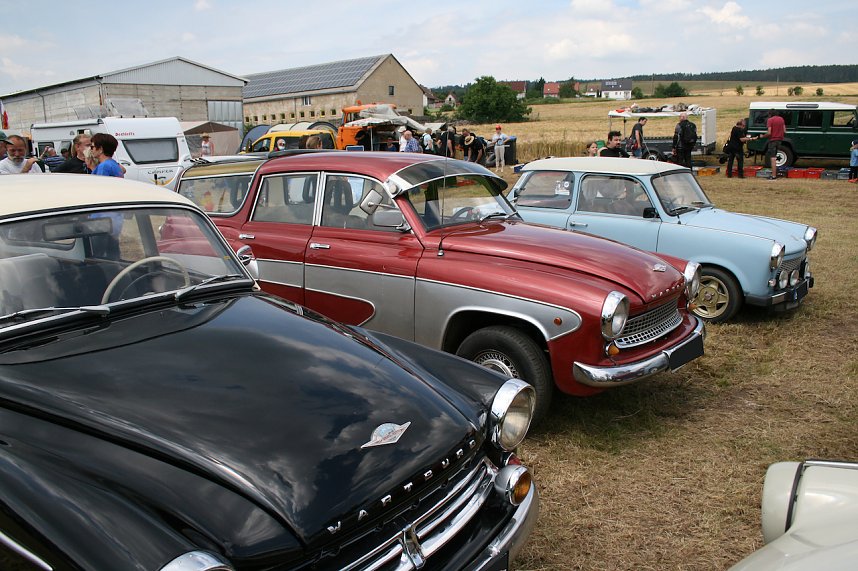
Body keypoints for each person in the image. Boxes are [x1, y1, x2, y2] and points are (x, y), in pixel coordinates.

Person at [757, 109, 785, 180]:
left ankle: (773, 175)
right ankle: (775, 173)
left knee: (772, 158)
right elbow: (784, 130)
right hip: (780, 140)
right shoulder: (781, 119)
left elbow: (769, 133)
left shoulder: (770, 120)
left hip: (773, 141)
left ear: (770, 114)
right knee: (775, 157)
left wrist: (762, 136)